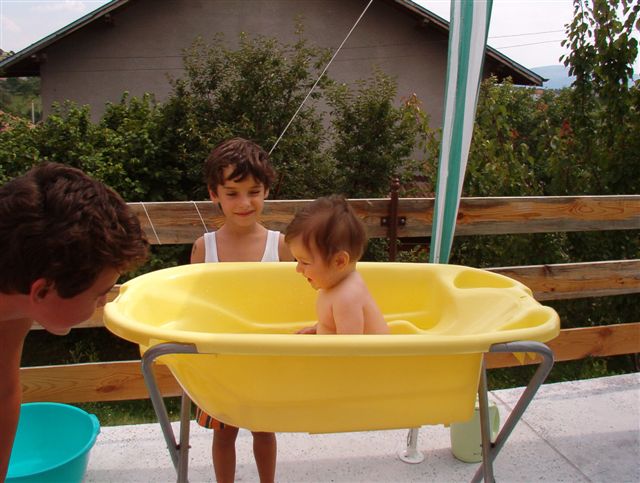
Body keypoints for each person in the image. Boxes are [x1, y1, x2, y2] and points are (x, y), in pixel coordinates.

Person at [0, 162, 149, 481]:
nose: (104, 302)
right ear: (43, 291)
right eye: (100, 293)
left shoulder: (14, 306)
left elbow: (4, 393)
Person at [190, 137, 292, 483]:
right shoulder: (203, 248)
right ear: (214, 194)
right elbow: (196, 309)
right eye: (232, 193)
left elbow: (294, 304)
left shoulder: (282, 246)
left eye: (254, 192)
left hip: (266, 361)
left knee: (264, 431)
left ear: (267, 191)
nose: (244, 203)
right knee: (224, 435)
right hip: (218, 364)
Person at [285, 195, 389, 335]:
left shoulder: (347, 297)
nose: (298, 269)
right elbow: (334, 321)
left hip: (371, 351)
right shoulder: (334, 283)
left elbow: (348, 346)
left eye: (305, 262)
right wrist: (318, 328)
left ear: (339, 261)